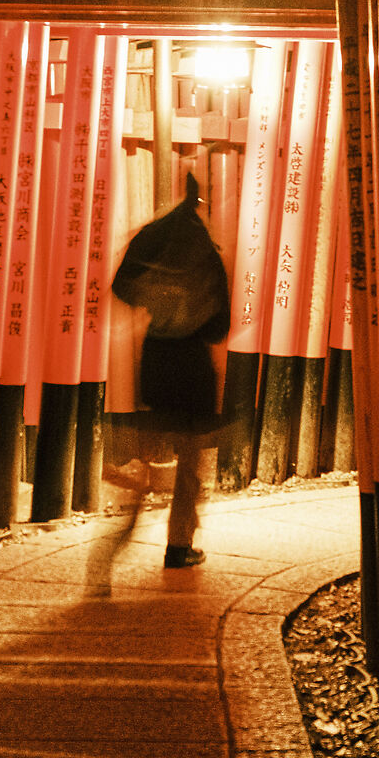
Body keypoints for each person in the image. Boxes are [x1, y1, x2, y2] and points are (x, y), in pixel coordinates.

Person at [94, 174, 231, 580]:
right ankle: (179, 546)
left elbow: (121, 287)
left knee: (143, 467)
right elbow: (219, 325)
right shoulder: (203, 252)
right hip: (192, 371)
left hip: (155, 363)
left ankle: (107, 554)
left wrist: (155, 305)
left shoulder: (156, 240)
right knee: (189, 468)